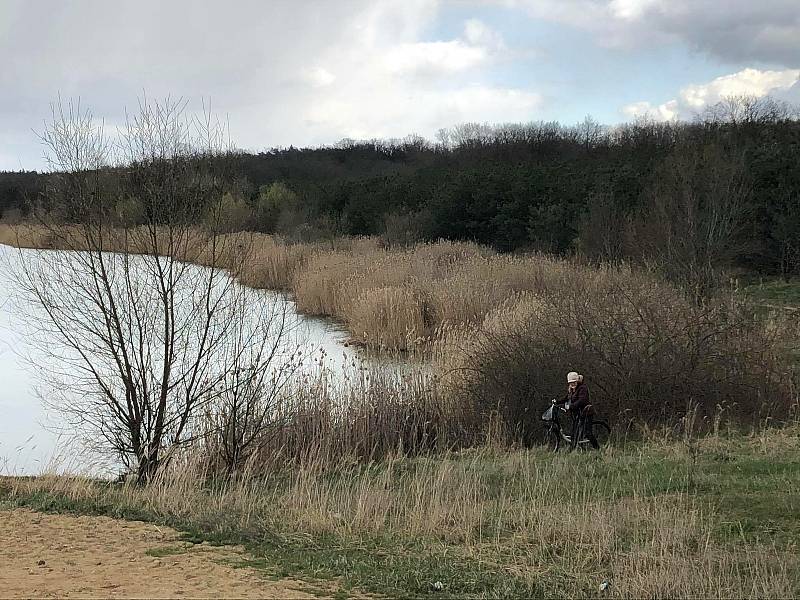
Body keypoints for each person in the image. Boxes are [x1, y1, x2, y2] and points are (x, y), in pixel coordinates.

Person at [557, 371, 599, 450]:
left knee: (588, 433)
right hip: (577, 414)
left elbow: (581, 401)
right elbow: (566, 398)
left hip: (586, 413)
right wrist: (557, 402)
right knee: (574, 432)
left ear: (577, 381)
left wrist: (571, 406)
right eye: (570, 382)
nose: (572, 384)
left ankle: (597, 448)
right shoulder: (571, 390)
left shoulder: (583, 388)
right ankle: (572, 450)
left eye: (574, 382)